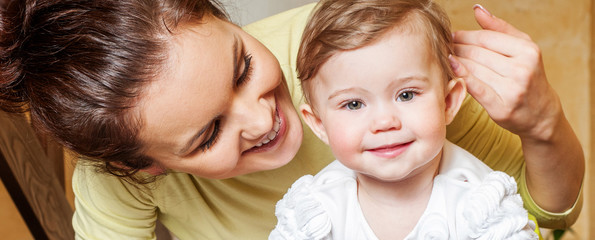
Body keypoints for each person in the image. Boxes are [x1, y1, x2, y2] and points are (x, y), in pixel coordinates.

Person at [0, 0, 583, 239]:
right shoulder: (113, 184)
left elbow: (546, 220)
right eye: (208, 135)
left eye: (241, 66)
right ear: (149, 166)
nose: (261, 118)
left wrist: (543, 125)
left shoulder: (359, 60)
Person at [270, 0, 538, 239]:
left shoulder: (480, 206)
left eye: (406, 95)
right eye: (353, 104)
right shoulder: (314, 211)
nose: (385, 122)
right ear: (319, 124)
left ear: (448, 102)